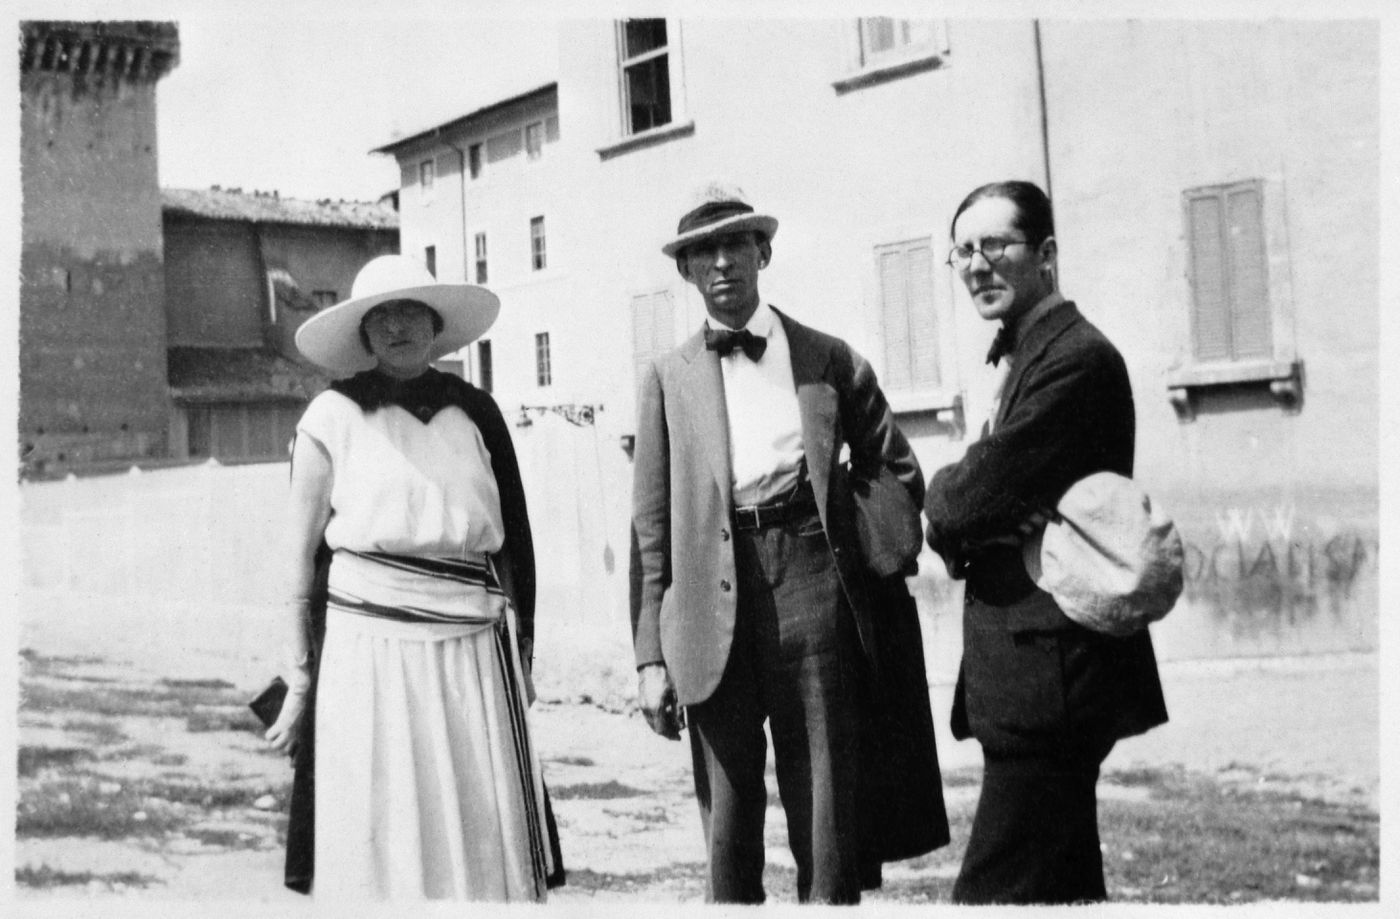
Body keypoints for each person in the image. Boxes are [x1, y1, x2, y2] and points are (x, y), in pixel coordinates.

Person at [630, 182, 944, 904]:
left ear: (763, 251)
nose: (720, 264)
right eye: (702, 252)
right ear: (684, 272)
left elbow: (896, 469)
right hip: (708, 592)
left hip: (811, 577)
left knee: (827, 794)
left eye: (735, 245)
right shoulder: (666, 378)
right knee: (729, 813)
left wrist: (853, 549)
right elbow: (651, 526)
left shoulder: (825, 357)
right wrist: (650, 654)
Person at [264, 254, 558, 900]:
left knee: (475, 808)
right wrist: (299, 672)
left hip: (472, 654)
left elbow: (516, 542)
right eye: (382, 316)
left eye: (411, 312)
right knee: (383, 807)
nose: (398, 326)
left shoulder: (477, 412)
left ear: (435, 323)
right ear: (364, 333)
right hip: (369, 652)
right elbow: (298, 551)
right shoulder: (331, 416)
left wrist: (524, 652)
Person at [923, 180, 1168, 904]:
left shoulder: (1076, 360)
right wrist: (981, 498)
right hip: (1034, 674)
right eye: (963, 250)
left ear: (1048, 254)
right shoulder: (1026, 355)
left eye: (996, 244)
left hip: (1053, 680)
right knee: (1062, 889)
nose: (977, 264)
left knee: (994, 894)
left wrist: (952, 497)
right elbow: (986, 496)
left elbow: (965, 502)